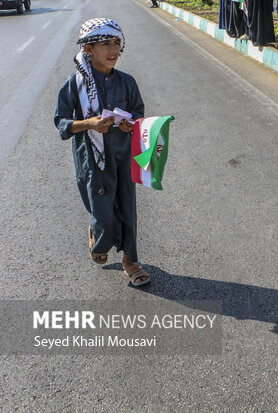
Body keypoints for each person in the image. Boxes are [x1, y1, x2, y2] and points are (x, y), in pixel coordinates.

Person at [54, 18, 150, 287]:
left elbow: (138, 113)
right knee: (103, 211)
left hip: (123, 155)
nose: (113, 49)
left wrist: (130, 123)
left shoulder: (127, 82)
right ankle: (99, 235)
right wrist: (89, 124)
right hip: (92, 159)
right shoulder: (74, 85)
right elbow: (61, 122)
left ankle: (130, 260)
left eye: (117, 42)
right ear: (88, 49)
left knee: (127, 208)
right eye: (105, 43)